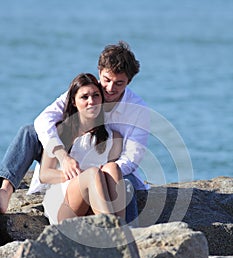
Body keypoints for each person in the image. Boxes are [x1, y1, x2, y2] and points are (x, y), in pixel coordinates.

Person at [0, 41, 150, 225]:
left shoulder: (136, 112)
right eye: (106, 80)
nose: (110, 88)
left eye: (119, 83)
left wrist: (104, 174)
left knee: (122, 180)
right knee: (30, 131)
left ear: (129, 81)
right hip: (71, 184)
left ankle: (126, 231)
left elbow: (132, 159)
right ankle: (5, 189)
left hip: (116, 169)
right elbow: (43, 121)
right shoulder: (82, 97)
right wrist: (64, 158)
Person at [38, 73, 125, 224]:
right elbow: (44, 175)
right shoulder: (61, 132)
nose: (92, 101)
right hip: (64, 203)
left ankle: (119, 225)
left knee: (112, 168)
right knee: (93, 174)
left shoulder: (114, 137)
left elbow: (111, 184)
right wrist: (81, 177)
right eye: (84, 97)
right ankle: (114, 231)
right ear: (74, 101)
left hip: (96, 204)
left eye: (96, 95)